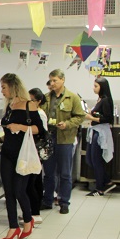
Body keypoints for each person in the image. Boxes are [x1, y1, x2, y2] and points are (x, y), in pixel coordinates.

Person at [0, 74, 44, 239]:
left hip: (23, 154)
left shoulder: (28, 105)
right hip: (7, 153)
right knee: (9, 191)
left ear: (13, 87)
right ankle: (13, 227)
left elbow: (39, 129)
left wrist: (20, 126)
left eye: (4, 87)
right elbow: (9, 133)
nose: (2, 91)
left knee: (19, 190)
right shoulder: (9, 106)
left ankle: (28, 220)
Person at [41, 69, 85, 214]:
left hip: (65, 138)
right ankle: (47, 200)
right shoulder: (46, 98)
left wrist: (67, 124)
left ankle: (64, 202)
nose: (52, 83)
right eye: (51, 80)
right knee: (48, 172)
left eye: (55, 80)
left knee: (65, 173)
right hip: (49, 138)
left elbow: (80, 117)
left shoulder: (72, 98)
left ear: (63, 79)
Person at [85, 77, 115, 196]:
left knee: (96, 160)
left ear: (102, 87)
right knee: (90, 159)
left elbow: (108, 118)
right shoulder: (100, 99)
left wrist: (91, 118)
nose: (94, 88)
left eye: (96, 86)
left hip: (100, 132)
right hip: (95, 131)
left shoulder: (105, 100)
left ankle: (99, 188)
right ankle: (107, 181)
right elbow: (99, 113)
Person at [27, 88, 49, 224]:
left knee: (33, 182)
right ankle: (33, 211)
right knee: (35, 181)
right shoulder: (34, 112)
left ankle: (35, 212)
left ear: (39, 101)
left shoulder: (40, 114)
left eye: (32, 100)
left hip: (37, 150)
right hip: (33, 150)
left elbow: (40, 132)